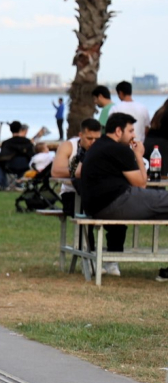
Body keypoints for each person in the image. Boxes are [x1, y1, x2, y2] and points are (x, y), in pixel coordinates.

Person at [79, 112, 168, 281]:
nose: (134, 135)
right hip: (116, 202)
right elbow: (141, 183)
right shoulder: (119, 149)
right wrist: (138, 155)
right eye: (131, 131)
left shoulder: (98, 146)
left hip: (97, 207)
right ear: (118, 131)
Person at [51, 118, 121, 277]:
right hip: (72, 194)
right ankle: (89, 259)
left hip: (100, 193)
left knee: (119, 211)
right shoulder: (69, 146)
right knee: (83, 211)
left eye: (97, 139)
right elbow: (56, 171)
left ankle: (113, 257)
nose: (93, 142)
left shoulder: (106, 147)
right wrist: (80, 170)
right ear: (80, 135)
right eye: (89, 138)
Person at [0, 120, 34, 189]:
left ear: (10, 130)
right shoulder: (28, 142)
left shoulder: (6, 143)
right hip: (25, 165)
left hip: (10, 166)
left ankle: (4, 185)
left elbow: (2, 157)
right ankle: (19, 183)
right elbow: (32, 155)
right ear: (20, 129)